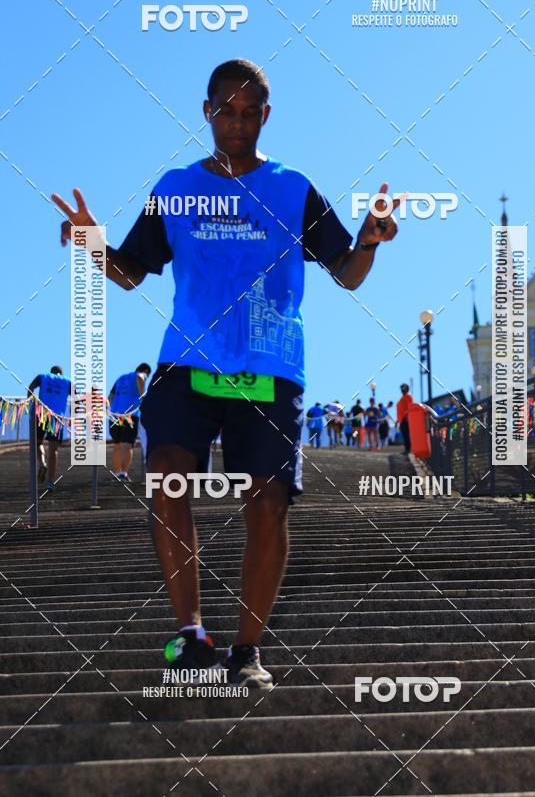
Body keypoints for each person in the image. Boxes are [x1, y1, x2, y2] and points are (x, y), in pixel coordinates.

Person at [51, 58, 401, 689]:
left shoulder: (295, 188)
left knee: (267, 504)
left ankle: (246, 651)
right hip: (187, 363)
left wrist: (371, 240)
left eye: (248, 113)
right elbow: (130, 272)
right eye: (224, 111)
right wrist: (92, 244)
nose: (236, 125)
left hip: (270, 366)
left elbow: (346, 272)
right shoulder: (177, 188)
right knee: (167, 483)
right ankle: (192, 636)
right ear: (205, 110)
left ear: (265, 116)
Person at [27, 366, 72, 491]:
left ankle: (42, 462)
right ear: (61, 373)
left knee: (37, 442)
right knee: (53, 450)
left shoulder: (43, 377)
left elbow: (31, 387)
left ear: (51, 372)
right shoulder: (67, 382)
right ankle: (50, 482)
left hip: (41, 414)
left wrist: (30, 401)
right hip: (57, 418)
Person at [108, 363, 151, 481]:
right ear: (146, 370)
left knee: (117, 445)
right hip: (129, 416)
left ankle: (117, 473)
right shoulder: (139, 374)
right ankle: (123, 473)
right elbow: (140, 377)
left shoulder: (120, 378)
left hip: (114, 415)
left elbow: (110, 397)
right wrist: (143, 396)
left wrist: (109, 411)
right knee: (127, 445)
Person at [396, 383, 414, 455]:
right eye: (401, 388)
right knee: (404, 434)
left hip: (405, 419)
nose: (402, 390)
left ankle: (408, 449)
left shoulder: (408, 396)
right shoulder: (403, 397)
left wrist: (406, 417)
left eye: (403, 388)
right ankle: (407, 448)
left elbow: (409, 407)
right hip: (402, 419)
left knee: (406, 434)